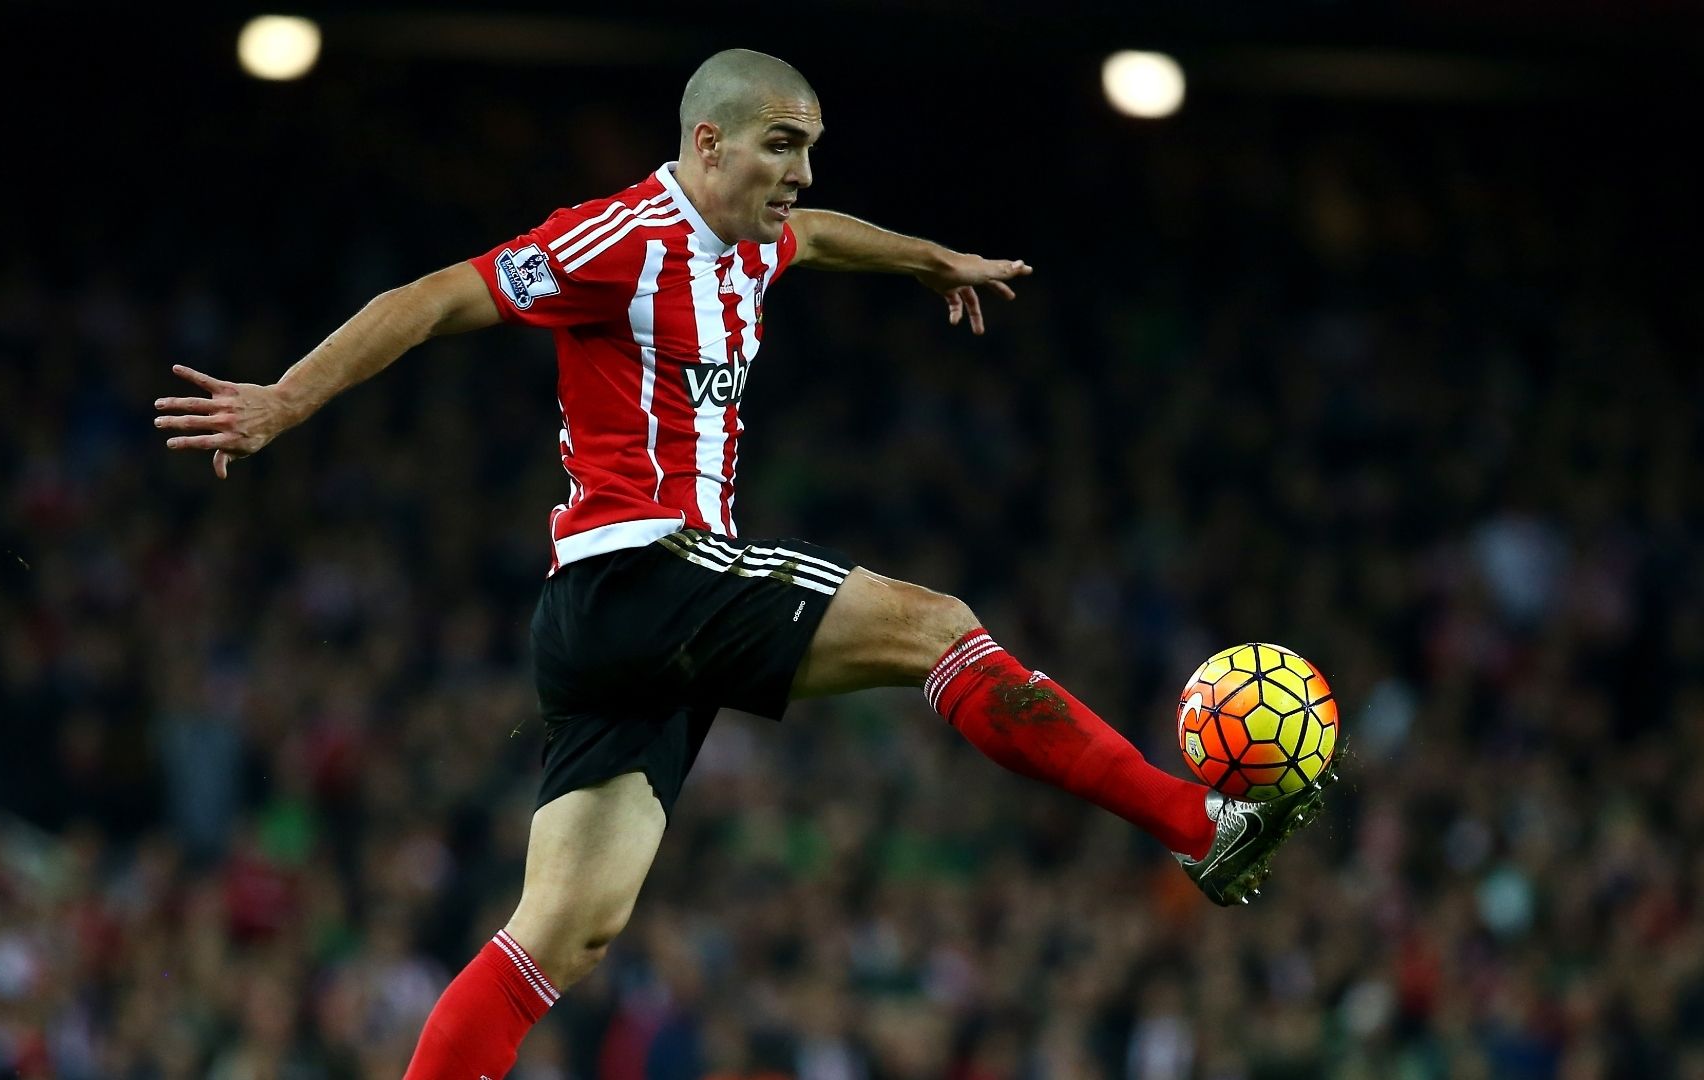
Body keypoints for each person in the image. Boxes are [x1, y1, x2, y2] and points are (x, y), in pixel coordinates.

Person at [154, 48, 1340, 1079]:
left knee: (561, 934)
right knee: (939, 628)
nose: (803, 175)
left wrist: (930, 258)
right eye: (783, 146)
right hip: (644, 573)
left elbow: (821, 236)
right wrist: (281, 402)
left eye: (812, 148)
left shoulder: (758, 240)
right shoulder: (616, 238)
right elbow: (429, 299)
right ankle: (1201, 825)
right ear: (707, 143)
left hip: (614, 632)